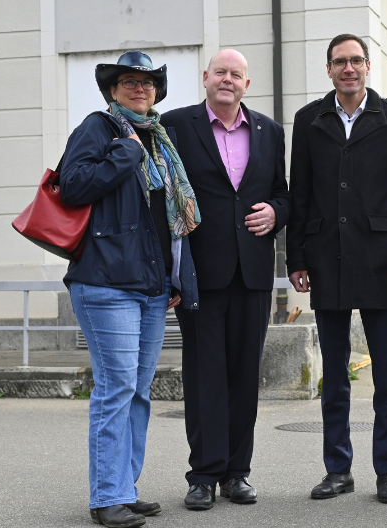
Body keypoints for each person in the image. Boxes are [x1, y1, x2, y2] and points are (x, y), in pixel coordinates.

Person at [61, 51, 200, 528]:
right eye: (128, 82)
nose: (139, 89)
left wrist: (172, 275)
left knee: (138, 390)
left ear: (156, 91)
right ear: (113, 91)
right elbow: (71, 185)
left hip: (152, 286)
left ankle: (125, 487)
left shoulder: (161, 141)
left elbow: (165, 221)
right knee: (116, 389)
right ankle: (107, 498)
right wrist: (124, 154)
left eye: (147, 82)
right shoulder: (99, 129)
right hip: (106, 282)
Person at [287, 34, 387, 504]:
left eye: (356, 61)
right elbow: (298, 192)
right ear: (329, 69)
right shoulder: (308, 120)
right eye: (340, 61)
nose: (349, 68)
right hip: (326, 259)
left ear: (368, 67)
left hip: (382, 262)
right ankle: (338, 469)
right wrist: (296, 257)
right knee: (335, 376)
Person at [160, 49, 289, 510]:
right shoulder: (174, 125)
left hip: (252, 272)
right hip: (199, 273)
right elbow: (163, 195)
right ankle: (203, 475)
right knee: (204, 377)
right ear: (205, 78)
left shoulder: (270, 132)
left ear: (246, 84)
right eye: (220, 73)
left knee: (243, 377)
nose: (228, 80)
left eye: (236, 74)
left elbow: (283, 194)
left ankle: (237, 473)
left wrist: (277, 212)